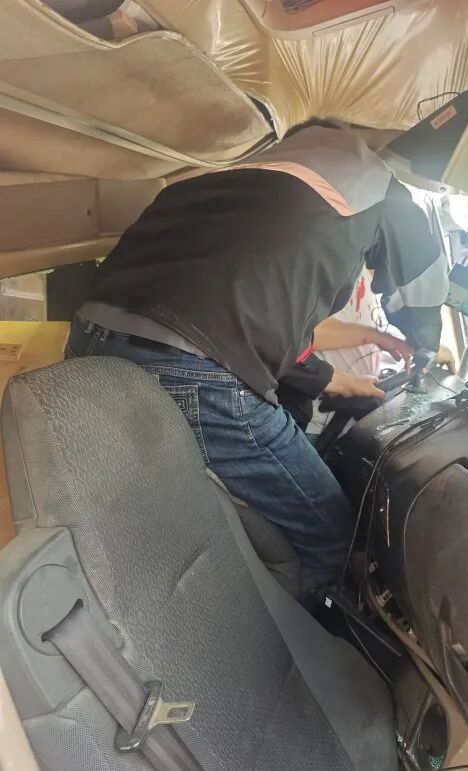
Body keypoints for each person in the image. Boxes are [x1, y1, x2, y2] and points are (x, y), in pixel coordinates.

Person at [66, 125, 448, 603]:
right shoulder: (373, 180)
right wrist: (426, 345)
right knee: (330, 531)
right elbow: (425, 279)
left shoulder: (224, 177)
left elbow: (253, 317)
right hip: (189, 364)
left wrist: (333, 376)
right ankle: (298, 642)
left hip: (90, 341)